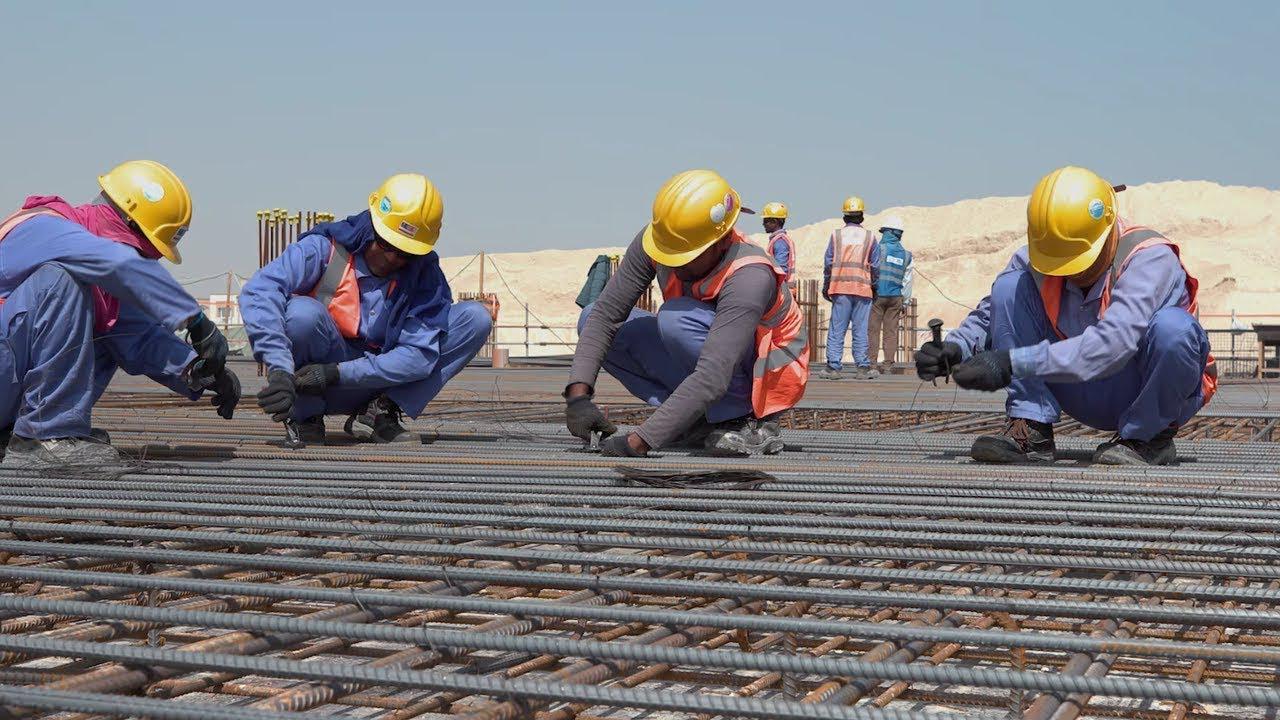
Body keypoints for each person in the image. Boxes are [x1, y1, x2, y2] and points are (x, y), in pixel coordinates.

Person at [915, 166, 1215, 466]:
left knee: (1174, 330)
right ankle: (1031, 426)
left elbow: (1112, 345)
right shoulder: (1042, 255)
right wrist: (955, 348)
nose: (1071, 271)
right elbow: (990, 313)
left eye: (1079, 261)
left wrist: (1013, 362)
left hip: (1142, 387)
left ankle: (1149, 436)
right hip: (1078, 384)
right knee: (1009, 287)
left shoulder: (1150, 258)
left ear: (1108, 229)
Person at [0, 160, 239, 468]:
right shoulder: (45, 226)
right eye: (142, 253)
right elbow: (118, 263)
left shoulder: (96, 269)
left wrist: (197, 371)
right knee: (63, 280)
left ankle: (30, 433)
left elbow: (137, 333)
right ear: (125, 221)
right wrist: (195, 318)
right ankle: (44, 437)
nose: (142, 262)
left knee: (108, 319)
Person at [566, 169, 808, 457]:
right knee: (591, 315)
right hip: (709, 362)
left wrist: (639, 441)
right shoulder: (664, 239)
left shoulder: (750, 275)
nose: (674, 264)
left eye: (685, 256)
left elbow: (714, 373)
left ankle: (742, 422)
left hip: (760, 382)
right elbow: (606, 315)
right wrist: (577, 398)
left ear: (720, 241)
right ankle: (695, 419)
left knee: (676, 318)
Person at [241, 173, 492, 443]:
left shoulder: (426, 278)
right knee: (302, 314)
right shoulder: (324, 249)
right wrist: (279, 366)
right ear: (373, 223)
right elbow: (259, 291)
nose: (393, 258)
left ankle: (379, 413)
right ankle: (306, 416)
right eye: (387, 244)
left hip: (379, 381)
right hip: (310, 381)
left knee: (475, 319)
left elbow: (417, 357)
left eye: (406, 253)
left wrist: (338, 373)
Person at [821, 197, 879, 380]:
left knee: (837, 328)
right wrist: (874, 286)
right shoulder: (870, 237)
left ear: (844, 217)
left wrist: (826, 284)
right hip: (863, 289)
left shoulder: (836, 236)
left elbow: (828, 263)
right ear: (862, 217)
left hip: (840, 287)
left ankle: (833, 367)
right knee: (861, 329)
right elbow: (876, 266)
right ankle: (862, 367)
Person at [867, 215, 912, 373]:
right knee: (891, 332)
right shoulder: (906, 255)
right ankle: (887, 365)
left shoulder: (878, 249)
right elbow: (907, 281)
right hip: (896, 297)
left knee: (873, 330)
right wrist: (905, 302)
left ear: (886, 232)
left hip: (877, 296)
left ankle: (872, 364)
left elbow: (870, 271)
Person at [761, 202, 794, 282]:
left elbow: (781, 270)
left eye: (766, 221)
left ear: (774, 221)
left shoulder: (780, 242)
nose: (763, 224)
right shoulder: (778, 239)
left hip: (781, 290)